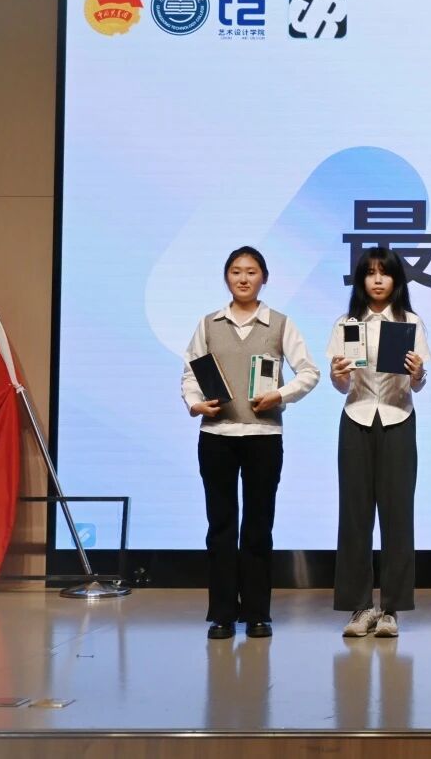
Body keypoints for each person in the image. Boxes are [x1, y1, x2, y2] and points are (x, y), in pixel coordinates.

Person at [180, 246, 319, 640]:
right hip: (216, 436)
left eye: (252, 271)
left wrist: (280, 395)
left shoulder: (280, 324)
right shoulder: (208, 323)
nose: (243, 278)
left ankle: (258, 613)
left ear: (264, 278)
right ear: (227, 277)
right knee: (220, 526)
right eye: (236, 271)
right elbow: (190, 373)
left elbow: (309, 372)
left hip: (263, 437)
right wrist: (195, 403)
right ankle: (222, 614)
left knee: (258, 526)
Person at [326, 248, 429, 638]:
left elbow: (418, 383)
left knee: (398, 515)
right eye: (370, 273)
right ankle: (359, 607)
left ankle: (391, 610)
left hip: (398, 418)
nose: (378, 280)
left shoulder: (411, 322)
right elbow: (341, 385)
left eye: (385, 273)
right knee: (354, 516)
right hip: (356, 418)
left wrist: (418, 373)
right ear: (361, 280)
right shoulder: (346, 323)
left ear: (396, 280)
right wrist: (339, 375)